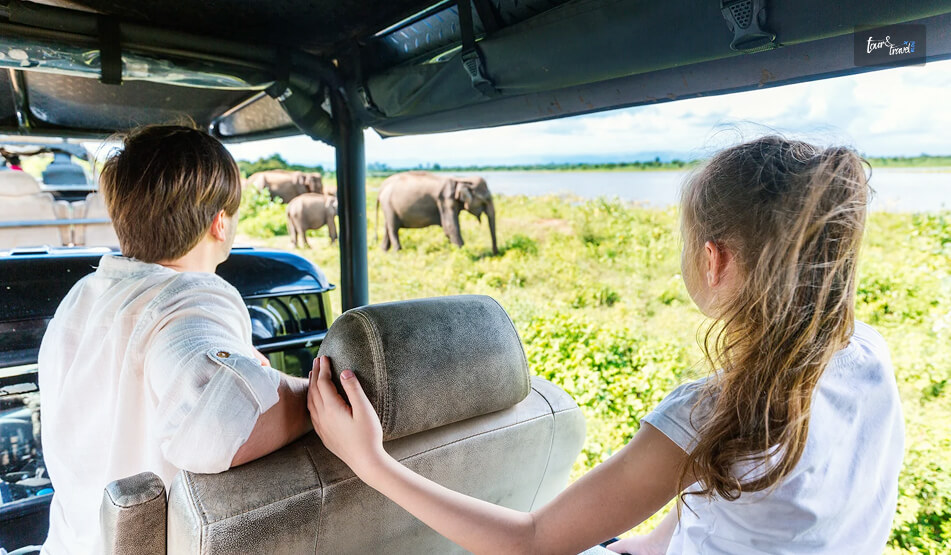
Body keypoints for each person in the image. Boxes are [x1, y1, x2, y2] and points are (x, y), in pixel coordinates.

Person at [307, 136, 904, 554]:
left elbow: (531, 542)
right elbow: (733, 512)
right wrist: (638, 546)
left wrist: (371, 462)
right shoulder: (870, 356)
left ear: (713, 260)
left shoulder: (713, 412)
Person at [37, 125, 311, 554]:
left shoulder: (83, 297)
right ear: (220, 223)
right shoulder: (187, 298)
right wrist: (307, 394)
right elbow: (217, 428)